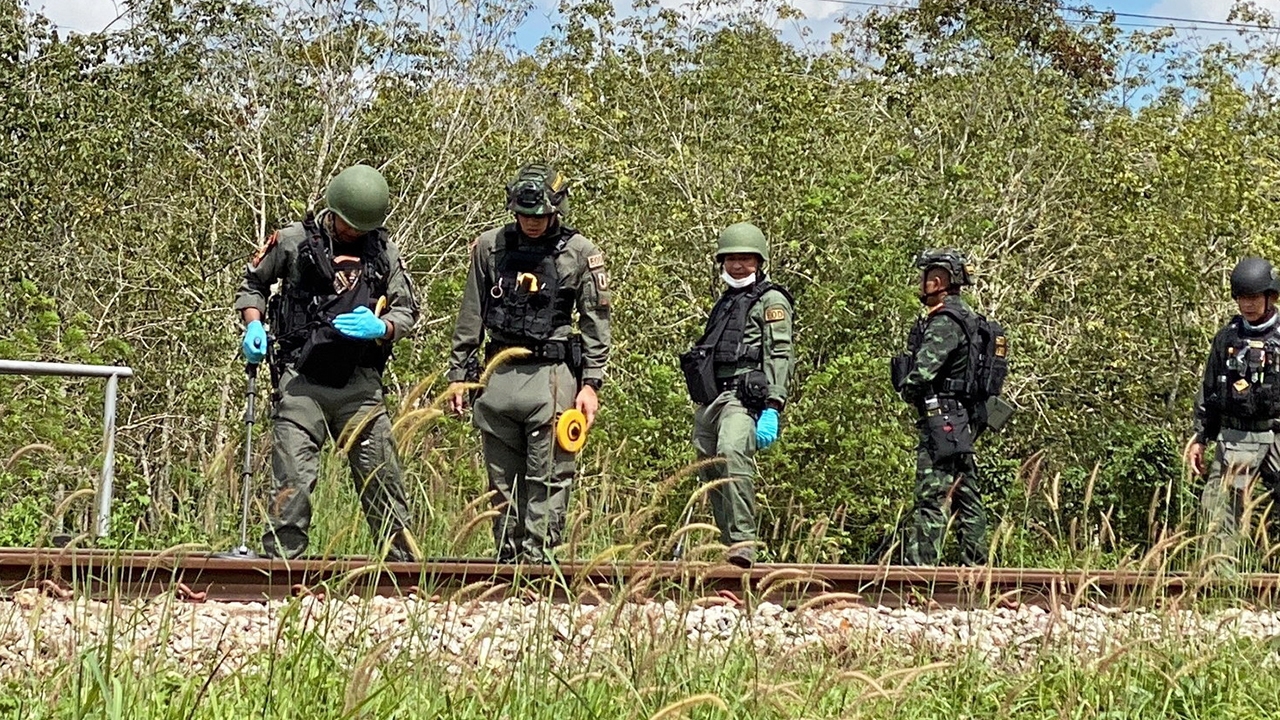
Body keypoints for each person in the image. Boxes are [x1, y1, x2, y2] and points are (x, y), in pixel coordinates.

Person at [234, 164, 421, 561]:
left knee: (382, 478)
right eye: (349, 225)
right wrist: (253, 325)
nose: (354, 233)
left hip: (359, 383)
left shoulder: (383, 252)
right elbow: (253, 285)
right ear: (332, 211)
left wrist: (382, 327)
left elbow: (407, 311)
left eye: (362, 227)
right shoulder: (291, 241)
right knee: (293, 481)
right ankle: (282, 568)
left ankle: (403, 571)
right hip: (302, 379)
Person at [445, 162, 611, 563]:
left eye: (540, 215)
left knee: (550, 476)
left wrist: (591, 384)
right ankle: (508, 559)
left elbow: (595, 323)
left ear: (557, 210)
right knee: (501, 481)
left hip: (552, 377)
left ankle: (539, 561)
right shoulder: (490, 246)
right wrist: (458, 377)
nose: (532, 223)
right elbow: (471, 315)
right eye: (524, 215)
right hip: (497, 374)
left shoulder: (580, 253)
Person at [679, 222, 794, 568]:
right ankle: (728, 545)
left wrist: (773, 405)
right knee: (708, 467)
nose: (738, 266)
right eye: (731, 260)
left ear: (759, 262)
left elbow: (780, 353)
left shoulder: (771, 301)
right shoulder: (726, 302)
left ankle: (744, 540)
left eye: (745, 259)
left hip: (743, 399)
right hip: (712, 399)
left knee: (732, 452)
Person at [892, 249, 989, 566]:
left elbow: (924, 371)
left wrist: (907, 389)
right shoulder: (970, 318)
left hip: (941, 416)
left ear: (935, 282)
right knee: (966, 492)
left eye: (924, 279)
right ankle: (975, 565)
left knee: (932, 494)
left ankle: (921, 569)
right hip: (962, 416)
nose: (920, 285)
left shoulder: (944, 321)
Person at [1188, 256, 1280, 562]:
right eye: (1241, 297)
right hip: (1237, 438)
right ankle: (1219, 584)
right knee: (1219, 510)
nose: (1247, 304)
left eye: (1253, 297)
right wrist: (1200, 437)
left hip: (1277, 433)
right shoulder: (1227, 337)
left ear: (1270, 297)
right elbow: (1210, 388)